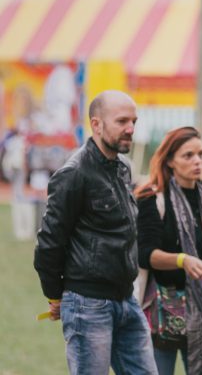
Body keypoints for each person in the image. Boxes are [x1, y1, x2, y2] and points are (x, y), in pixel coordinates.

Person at [33, 90, 157, 375]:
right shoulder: (74, 173)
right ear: (96, 124)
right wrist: (55, 296)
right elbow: (49, 242)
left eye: (134, 121)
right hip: (88, 304)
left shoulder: (123, 168)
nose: (130, 129)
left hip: (127, 298)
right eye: (122, 121)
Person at [135, 126, 202, 374]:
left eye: (200, 154)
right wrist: (182, 260)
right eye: (188, 155)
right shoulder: (152, 198)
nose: (197, 161)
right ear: (170, 161)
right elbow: (146, 255)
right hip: (161, 312)